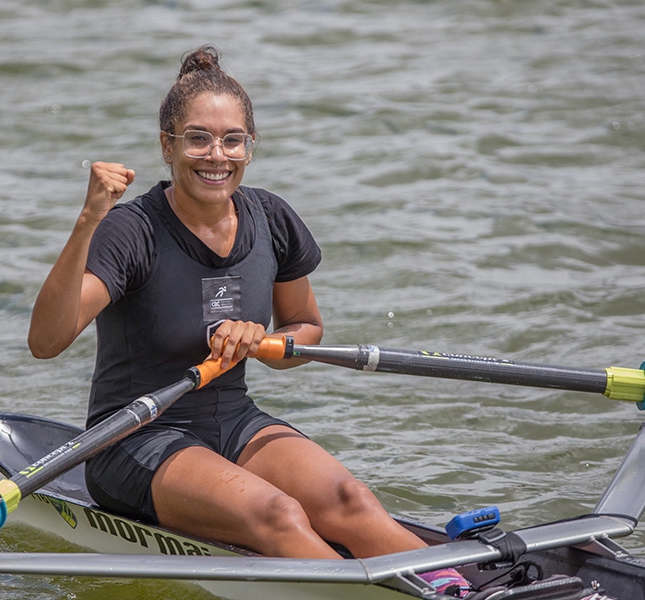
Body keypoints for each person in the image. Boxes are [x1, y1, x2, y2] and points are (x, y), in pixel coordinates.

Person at [28, 45, 470, 596]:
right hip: (135, 436)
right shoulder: (131, 230)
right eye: (197, 138)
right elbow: (46, 341)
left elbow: (305, 325)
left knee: (351, 501)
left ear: (250, 146)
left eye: (232, 139)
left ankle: (462, 590)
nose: (217, 155)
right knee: (280, 515)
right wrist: (89, 219)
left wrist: (266, 343)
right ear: (168, 146)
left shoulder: (271, 217)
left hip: (233, 419)